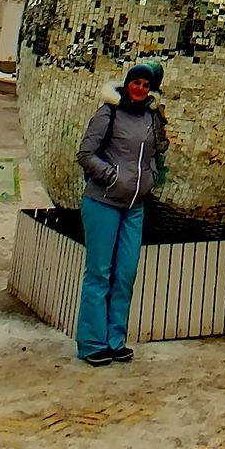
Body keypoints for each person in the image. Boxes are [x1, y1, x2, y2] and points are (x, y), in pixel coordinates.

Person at [74, 59, 168, 366]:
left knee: (125, 273)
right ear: (127, 84)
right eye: (136, 83)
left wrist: (150, 177)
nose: (140, 89)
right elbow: (85, 154)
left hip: (134, 207)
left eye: (146, 85)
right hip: (103, 202)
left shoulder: (151, 118)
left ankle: (116, 340)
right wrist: (111, 176)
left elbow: (154, 153)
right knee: (99, 273)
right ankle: (92, 342)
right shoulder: (108, 113)